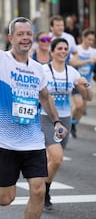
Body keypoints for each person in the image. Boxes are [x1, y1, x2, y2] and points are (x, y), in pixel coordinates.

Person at [0, 16, 67, 219]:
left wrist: (57, 121)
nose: (25, 38)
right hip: (5, 142)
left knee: (39, 190)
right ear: (10, 37)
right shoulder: (1, 60)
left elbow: (45, 97)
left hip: (33, 140)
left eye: (28, 34)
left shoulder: (38, 69)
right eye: (20, 34)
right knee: (6, 198)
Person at [41, 37, 93, 210]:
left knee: (53, 160)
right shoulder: (43, 71)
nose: (63, 51)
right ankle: (43, 191)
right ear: (52, 51)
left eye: (66, 49)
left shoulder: (72, 72)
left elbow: (89, 98)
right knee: (57, 159)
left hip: (65, 119)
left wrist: (86, 86)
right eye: (59, 48)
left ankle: (43, 187)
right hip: (45, 117)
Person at [69, 29, 96, 138]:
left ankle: (73, 124)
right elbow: (73, 63)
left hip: (87, 84)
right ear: (84, 38)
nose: (91, 42)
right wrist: (89, 61)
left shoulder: (94, 51)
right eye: (89, 39)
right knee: (78, 104)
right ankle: (70, 121)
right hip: (76, 82)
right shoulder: (77, 50)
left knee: (82, 109)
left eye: (93, 40)